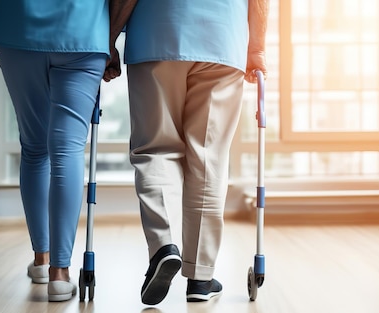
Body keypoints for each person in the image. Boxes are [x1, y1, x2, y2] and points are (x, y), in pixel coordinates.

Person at [105, 0, 269, 305]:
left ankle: (164, 247)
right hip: (223, 38)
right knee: (208, 158)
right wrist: (256, 48)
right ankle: (201, 277)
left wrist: (110, 38)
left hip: (156, 32)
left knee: (155, 149)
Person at [0, 0, 111, 302]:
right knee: (67, 151)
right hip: (84, 31)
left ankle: (42, 259)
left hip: (18, 27)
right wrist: (112, 36)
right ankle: (60, 274)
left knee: (34, 148)